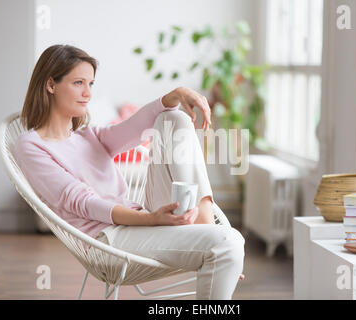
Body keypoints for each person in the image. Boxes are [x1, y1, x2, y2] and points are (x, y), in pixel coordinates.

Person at [14, 44, 245, 299]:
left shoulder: (89, 136)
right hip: (106, 242)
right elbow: (81, 202)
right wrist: (152, 219)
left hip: (140, 221)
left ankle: (206, 229)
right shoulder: (31, 146)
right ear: (50, 85)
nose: (87, 93)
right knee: (229, 242)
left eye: (91, 84)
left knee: (174, 120)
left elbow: (136, 126)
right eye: (79, 82)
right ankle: (213, 238)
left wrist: (177, 94)